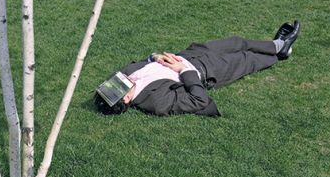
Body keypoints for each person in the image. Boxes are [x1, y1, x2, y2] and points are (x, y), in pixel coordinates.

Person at [94, 21, 301, 117]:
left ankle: (278, 46)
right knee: (246, 59)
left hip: (193, 53)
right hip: (207, 71)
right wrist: (183, 70)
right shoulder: (156, 102)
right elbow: (199, 100)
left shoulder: (126, 77)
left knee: (237, 42)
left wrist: (155, 56)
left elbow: (144, 62)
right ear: (127, 99)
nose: (117, 78)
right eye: (117, 87)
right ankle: (280, 51)